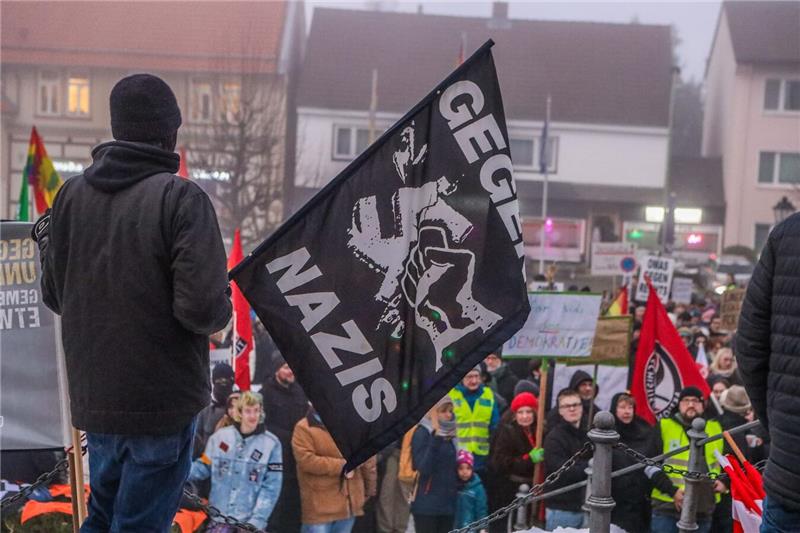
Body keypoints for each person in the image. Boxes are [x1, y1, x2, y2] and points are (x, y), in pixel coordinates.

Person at [35, 73, 232, 531]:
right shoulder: (181, 198)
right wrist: (222, 298)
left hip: (96, 400)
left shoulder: (70, 196)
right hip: (161, 404)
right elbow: (202, 310)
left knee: (103, 517)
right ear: (170, 131)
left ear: (117, 126)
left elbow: (54, 295)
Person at [188, 391, 283, 531]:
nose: (253, 416)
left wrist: (257, 520)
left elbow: (271, 488)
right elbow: (203, 467)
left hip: (249, 524)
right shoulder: (219, 438)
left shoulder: (271, 444)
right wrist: (177, 474)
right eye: (248, 411)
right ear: (240, 413)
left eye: (256, 411)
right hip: (219, 518)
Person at [649, 386, 724, 533]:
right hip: (667, 507)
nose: (691, 404)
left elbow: (728, 460)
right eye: (686, 401)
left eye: (695, 401)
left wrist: (725, 482)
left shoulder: (716, 428)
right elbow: (649, 465)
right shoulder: (664, 426)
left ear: (703, 405)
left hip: (703, 508)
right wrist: (673, 491)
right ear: (679, 404)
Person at [292, 405, 377, 533]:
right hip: (320, 509)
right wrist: (343, 466)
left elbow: (368, 457)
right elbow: (306, 461)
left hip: (348, 505)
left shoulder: (352, 425)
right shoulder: (303, 428)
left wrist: (369, 489)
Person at [262, 356, 308, 533]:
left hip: (297, 455)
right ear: (277, 370)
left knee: (294, 501)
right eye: (286, 368)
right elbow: (265, 424)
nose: (291, 372)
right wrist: (289, 435)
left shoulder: (299, 391)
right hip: (277, 454)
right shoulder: (267, 391)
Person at [486, 392, 541, 533]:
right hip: (509, 488)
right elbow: (500, 462)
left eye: (529, 411)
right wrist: (528, 459)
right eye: (520, 412)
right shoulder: (507, 431)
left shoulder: (540, 430)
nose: (525, 416)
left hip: (532, 486)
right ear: (514, 414)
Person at [609, 392, 658, 533]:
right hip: (616, 500)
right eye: (622, 407)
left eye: (630, 407)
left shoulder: (644, 429)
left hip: (641, 500)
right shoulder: (608, 431)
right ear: (614, 409)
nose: (627, 411)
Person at [543, 388, 590, 530]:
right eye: (566, 406)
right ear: (560, 411)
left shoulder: (589, 434)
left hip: (587, 506)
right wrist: (589, 466)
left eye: (575, 405)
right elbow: (561, 471)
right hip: (562, 509)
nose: (572, 409)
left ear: (581, 407)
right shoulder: (554, 438)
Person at [410, 396, 458, 533]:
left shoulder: (450, 433)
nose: (449, 415)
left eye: (450, 411)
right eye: (443, 411)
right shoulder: (422, 432)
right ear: (433, 413)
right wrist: (435, 438)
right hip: (427, 505)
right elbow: (423, 467)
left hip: (448, 503)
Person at [449, 366, 500, 478]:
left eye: (477, 376)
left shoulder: (488, 394)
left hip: (482, 457)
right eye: (469, 377)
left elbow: (495, 425)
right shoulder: (452, 395)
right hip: (459, 456)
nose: (474, 381)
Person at [194, 363, 236, 458]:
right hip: (208, 461)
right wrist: (205, 462)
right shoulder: (205, 411)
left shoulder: (241, 409)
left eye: (226, 381)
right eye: (219, 381)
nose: (223, 384)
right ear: (213, 382)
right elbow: (197, 444)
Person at [453, 450, 488, 531]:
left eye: (468, 468)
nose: (464, 472)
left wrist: (483, 528)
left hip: (470, 527)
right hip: (455, 526)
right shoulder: (455, 486)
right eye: (461, 468)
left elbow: (481, 509)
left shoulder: (478, 488)